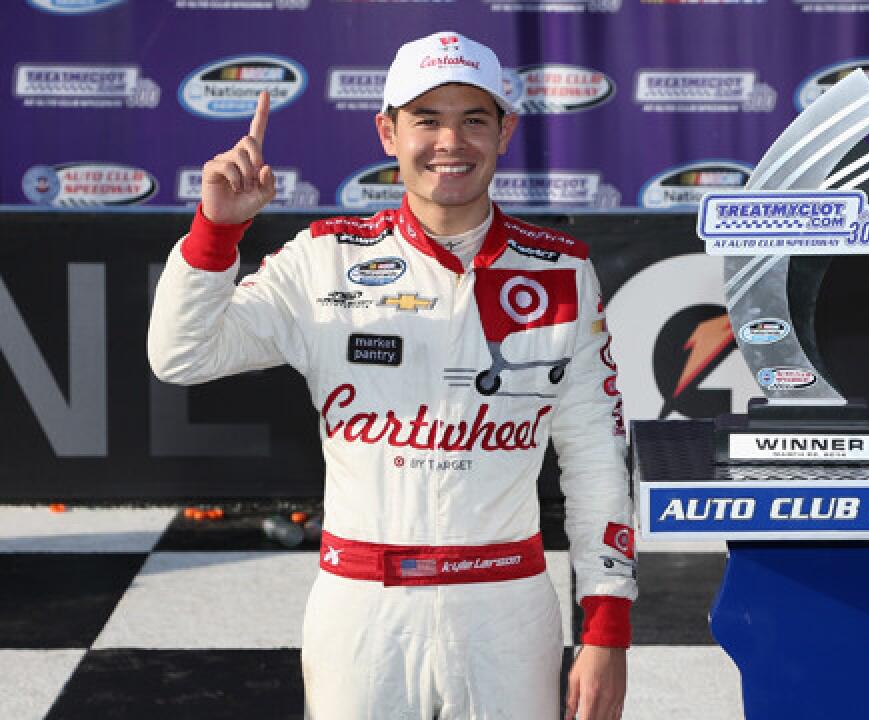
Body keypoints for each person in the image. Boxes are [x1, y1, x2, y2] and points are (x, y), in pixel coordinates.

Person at [148, 31, 636, 720]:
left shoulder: (561, 273)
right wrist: (215, 232)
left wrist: (607, 629)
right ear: (388, 132)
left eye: (473, 119)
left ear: (506, 131)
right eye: (427, 119)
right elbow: (181, 354)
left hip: (505, 608)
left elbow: (595, 460)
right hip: (361, 610)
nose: (450, 142)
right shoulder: (323, 261)